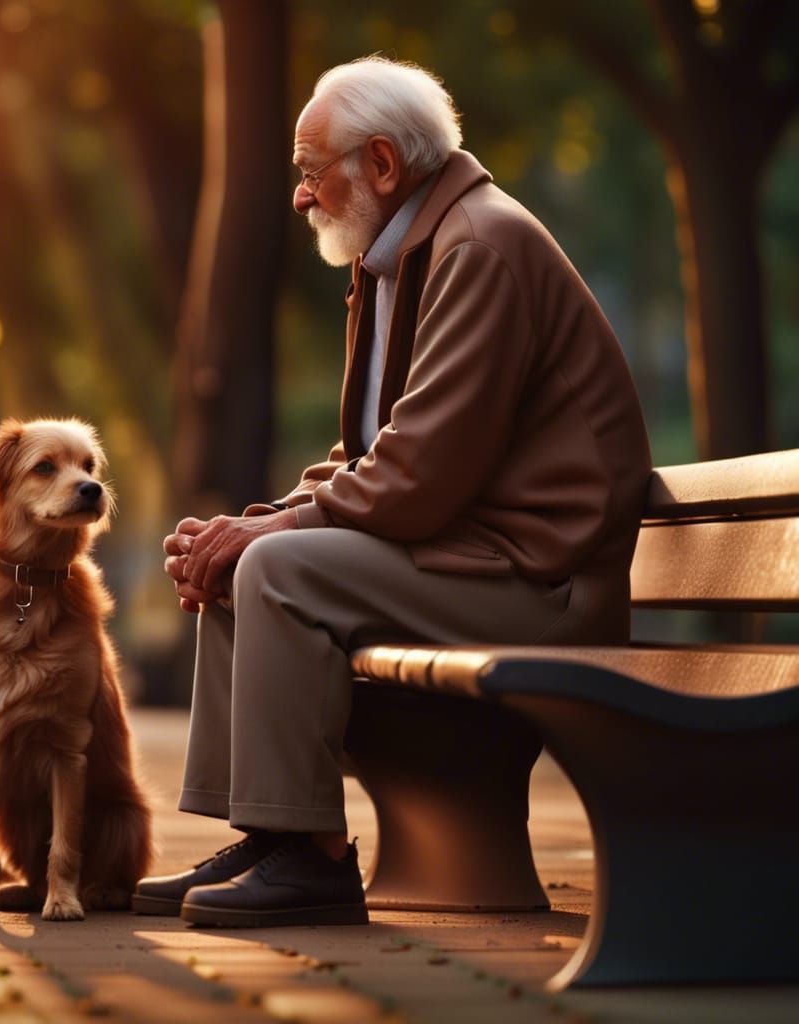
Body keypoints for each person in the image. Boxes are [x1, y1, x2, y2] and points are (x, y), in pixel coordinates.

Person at [132, 56, 652, 928]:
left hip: (541, 584)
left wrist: (274, 537)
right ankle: (269, 834)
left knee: (279, 572)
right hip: (474, 555)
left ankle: (312, 858)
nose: (300, 197)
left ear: (380, 164)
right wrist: (253, 524)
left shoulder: (476, 247)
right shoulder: (402, 253)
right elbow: (372, 451)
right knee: (245, 561)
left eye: (310, 172)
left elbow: (417, 474)